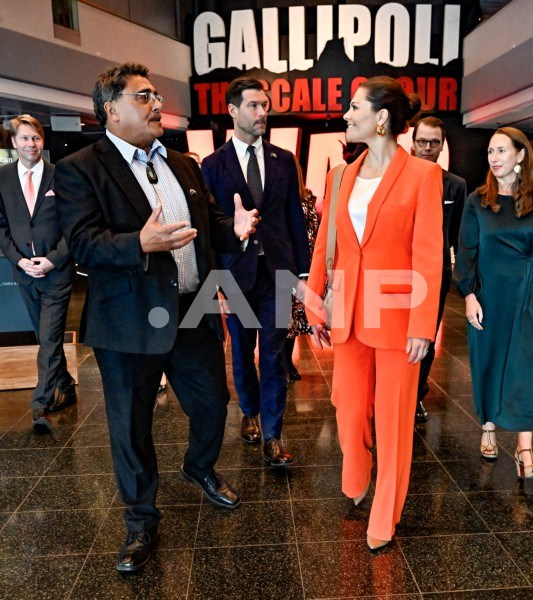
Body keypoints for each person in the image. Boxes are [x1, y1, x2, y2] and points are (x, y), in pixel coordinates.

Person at [54, 62, 259, 573]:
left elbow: (204, 220)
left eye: (156, 96)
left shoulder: (183, 163)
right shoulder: (81, 168)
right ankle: (141, 521)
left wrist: (232, 228)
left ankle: (198, 467)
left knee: (213, 404)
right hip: (127, 321)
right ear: (111, 110)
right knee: (131, 428)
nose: (156, 105)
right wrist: (138, 243)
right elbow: (82, 242)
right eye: (143, 97)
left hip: (190, 310)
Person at [305, 76, 443, 550]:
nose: (346, 115)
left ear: (381, 118)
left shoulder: (423, 176)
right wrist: (314, 306)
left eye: (355, 107)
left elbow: (428, 255)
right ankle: (357, 471)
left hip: (399, 317)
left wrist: (423, 326)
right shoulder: (340, 176)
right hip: (347, 311)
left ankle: (385, 513)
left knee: (394, 419)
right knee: (346, 407)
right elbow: (325, 245)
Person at [202, 76, 310, 467]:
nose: (263, 112)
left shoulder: (284, 159)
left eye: (265, 105)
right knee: (243, 351)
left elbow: (295, 218)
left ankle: (272, 433)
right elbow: (210, 228)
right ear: (233, 110)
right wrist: (215, 284)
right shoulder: (213, 165)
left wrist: (303, 274)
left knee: (275, 354)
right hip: (235, 274)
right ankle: (249, 410)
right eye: (254, 105)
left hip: (277, 274)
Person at [454, 126, 533, 478]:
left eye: (501, 150)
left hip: (529, 294)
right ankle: (488, 428)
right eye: (490, 151)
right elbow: (466, 253)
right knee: (488, 362)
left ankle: (524, 449)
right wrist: (469, 295)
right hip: (489, 295)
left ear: (520, 155)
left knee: (527, 369)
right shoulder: (477, 201)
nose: (494, 157)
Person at [0, 115, 76, 431]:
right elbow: (1, 226)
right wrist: (19, 261)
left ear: (42, 141)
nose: (31, 144)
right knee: (47, 338)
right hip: (24, 272)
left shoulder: (61, 175)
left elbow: (74, 225)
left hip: (56, 272)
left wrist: (53, 260)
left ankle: (40, 404)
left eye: (36, 138)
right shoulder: (2, 177)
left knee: (48, 337)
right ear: (14, 142)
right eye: (25, 138)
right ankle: (66, 386)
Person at [411, 117, 467, 423]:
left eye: (434, 142)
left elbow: (456, 234)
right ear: (412, 143)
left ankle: (416, 395)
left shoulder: (455, 185)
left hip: (435, 274)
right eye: (422, 141)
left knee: (426, 338)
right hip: (395, 273)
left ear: (442, 145)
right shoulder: (396, 179)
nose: (427, 147)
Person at [284, 156, 320, 383]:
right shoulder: (277, 198)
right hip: (284, 264)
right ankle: (282, 364)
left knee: (296, 317)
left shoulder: (307, 197)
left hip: (304, 265)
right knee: (284, 318)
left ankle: (287, 361)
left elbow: (314, 231)